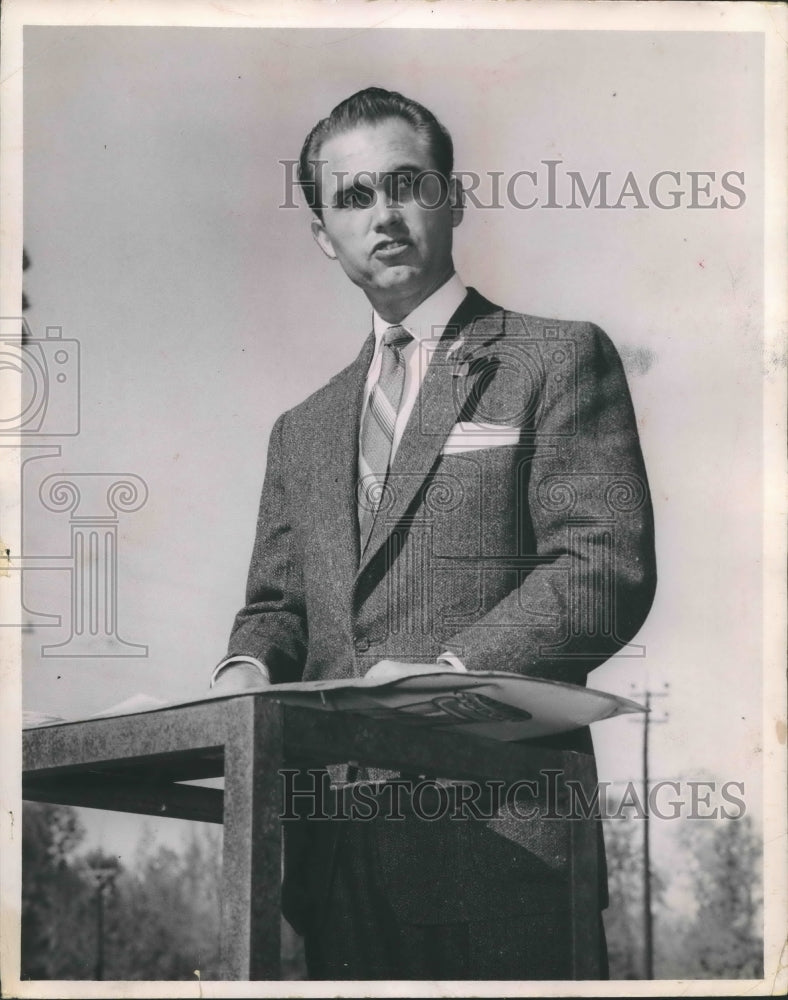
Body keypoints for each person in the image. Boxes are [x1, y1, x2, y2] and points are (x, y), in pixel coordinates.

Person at [211, 87, 656, 980]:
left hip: (503, 847)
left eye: (406, 184)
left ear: (450, 196)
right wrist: (244, 671)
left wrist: (448, 680)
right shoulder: (301, 430)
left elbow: (602, 567)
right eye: (353, 196)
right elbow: (276, 608)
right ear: (320, 231)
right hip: (333, 859)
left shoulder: (556, 358)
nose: (385, 215)